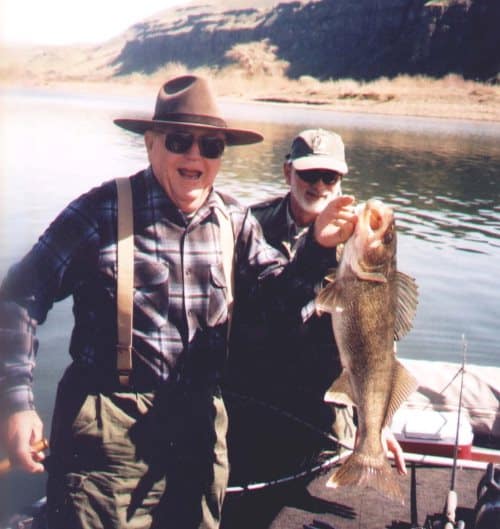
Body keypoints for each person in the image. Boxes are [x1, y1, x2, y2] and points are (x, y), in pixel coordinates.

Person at [0, 76, 358, 529]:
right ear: (151, 144)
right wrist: (16, 404)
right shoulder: (100, 211)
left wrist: (318, 250)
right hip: (109, 439)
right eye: (180, 141)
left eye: (211, 146)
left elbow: (277, 301)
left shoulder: (234, 220)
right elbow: (19, 295)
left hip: (201, 431)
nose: (195, 156)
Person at [224, 129, 406, 511]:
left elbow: (380, 335)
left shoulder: (361, 239)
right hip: (258, 399)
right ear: (287, 172)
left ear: (342, 180)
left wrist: (380, 421)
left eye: (330, 177)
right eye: (309, 174)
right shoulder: (249, 226)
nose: (320, 185)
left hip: (323, 410)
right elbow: (254, 314)